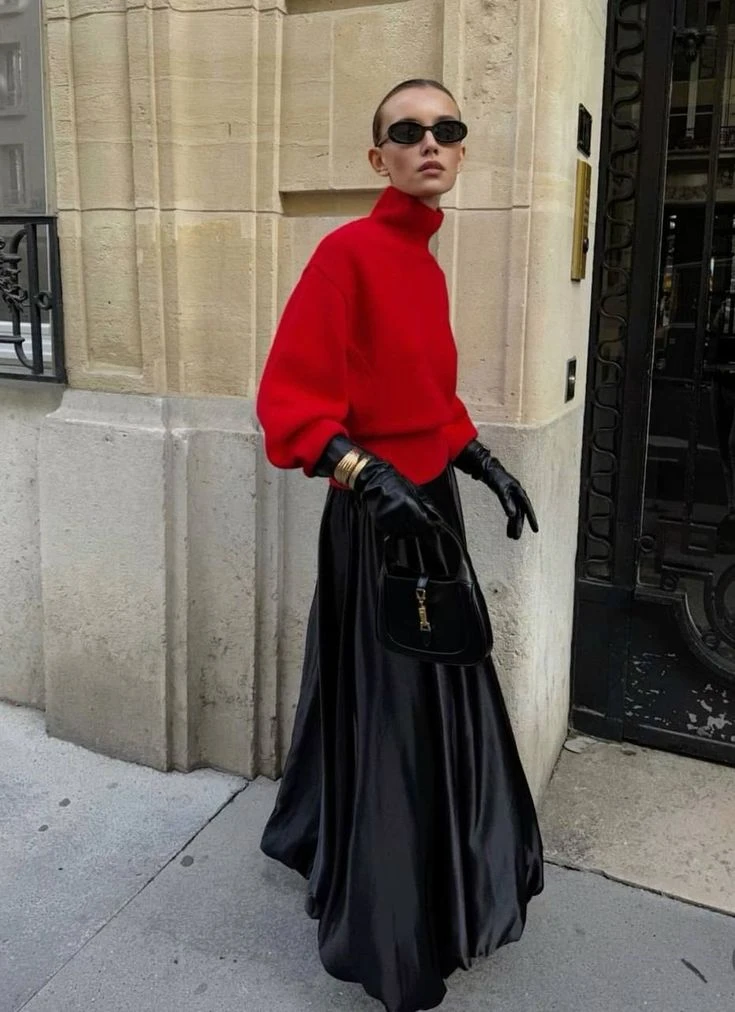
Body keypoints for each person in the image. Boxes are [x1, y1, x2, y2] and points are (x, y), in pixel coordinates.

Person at [256, 78, 544, 1012]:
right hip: (378, 526)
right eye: (406, 132)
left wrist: (483, 463)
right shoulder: (346, 255)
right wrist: (369, 477)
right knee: (389, 718)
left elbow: (424, 401)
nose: (431, 143)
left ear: (461, 150)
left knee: (441, 698)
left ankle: (438, 895)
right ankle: (391, 940)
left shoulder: (423, 264)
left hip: (433, 516)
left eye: (446, 130)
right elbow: (291, 407)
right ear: (375, 157)